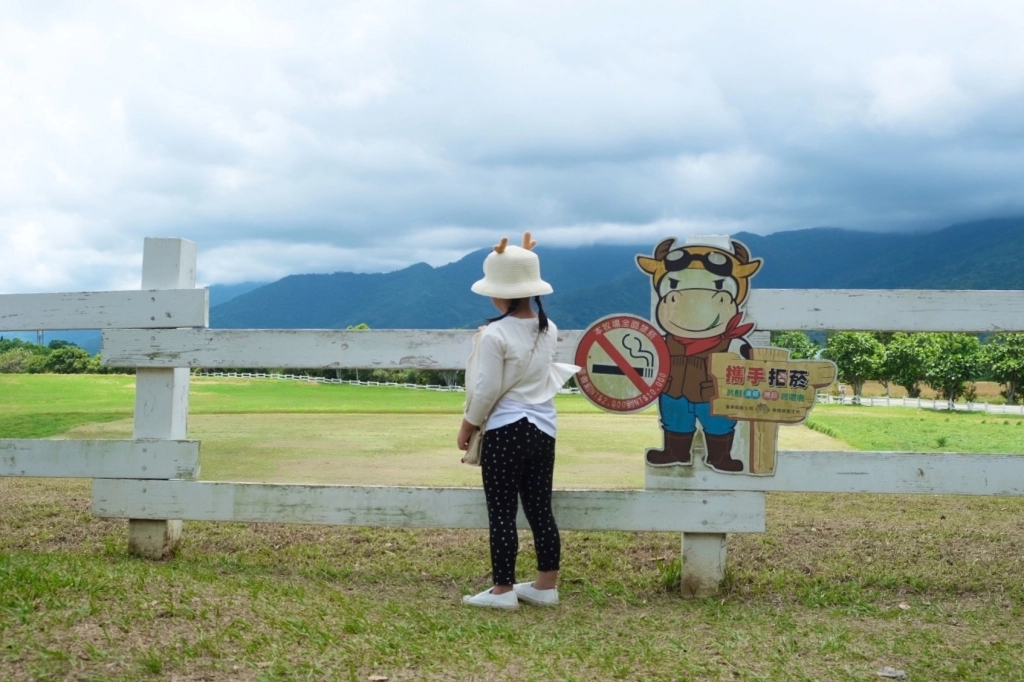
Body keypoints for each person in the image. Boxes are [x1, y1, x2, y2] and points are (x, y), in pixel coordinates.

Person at [458, 232, 578, 610]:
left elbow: (486, 389)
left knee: (502, 510)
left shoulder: (494, 335)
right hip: (543, 429)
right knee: (540, 507)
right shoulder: (549, 327)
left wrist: (467, 425)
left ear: (501, 293)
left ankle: (502, 589)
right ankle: (545, 584)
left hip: (505, 430)